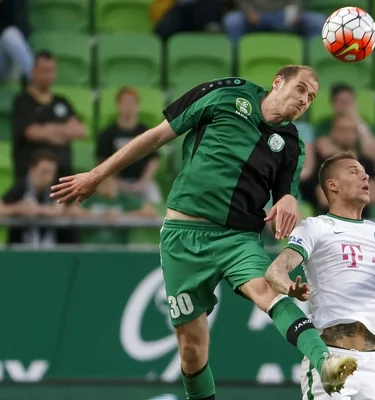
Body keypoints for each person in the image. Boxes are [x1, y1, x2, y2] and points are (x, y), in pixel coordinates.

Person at [50, 66, 358, 399]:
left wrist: (287, 202)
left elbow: (287, 193)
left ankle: (325, 361)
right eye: (300, 89)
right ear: (278, 82)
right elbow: (156, 135)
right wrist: (96, 175)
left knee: (269, 292)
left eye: (311, 97)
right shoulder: (226, 94)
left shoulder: (291, 143)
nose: (304, 100)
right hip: (182, 237)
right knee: (192, 350)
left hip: (238, 239)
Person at [265, 152, 375, 399]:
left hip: (372, 362)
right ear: (332, 185)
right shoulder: (316, 227)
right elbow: (275, 271)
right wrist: (289, 287)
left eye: (365, 172)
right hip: (330, 358)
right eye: (354, 171)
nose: (365, 175)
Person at [11, 50, 86, 180]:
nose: (48, 75)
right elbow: (31, 132)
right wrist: (63, 132)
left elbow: (81, 130)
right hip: (30, 178)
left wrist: (49, 131)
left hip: (63, 176)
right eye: (44, 70)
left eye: (51, 70)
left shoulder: (62, 101)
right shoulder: (23, 101)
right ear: (33, 71)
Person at [96, 87, 162, 204]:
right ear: (118, 105)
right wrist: (113, 182)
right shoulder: (107, 133)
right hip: (116, 181)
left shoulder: (146, 131)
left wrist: (143, 182)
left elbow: (154, 160)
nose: (129, 106)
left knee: (154, 197)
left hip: (142, 181)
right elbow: (102, 161)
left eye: (132, 102)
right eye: (125, 102)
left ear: (138, 105)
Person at [0, 150, 64, 246]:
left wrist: (36, 210)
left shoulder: (55, 188)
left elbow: (59, 210)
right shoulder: (21, 187)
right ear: (32, 169)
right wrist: (17, 208)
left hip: (50, 246)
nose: (48, 177)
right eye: (44, 172)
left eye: (52, 173)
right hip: (21, 247)